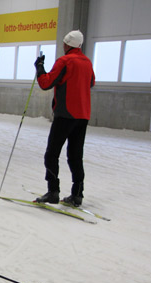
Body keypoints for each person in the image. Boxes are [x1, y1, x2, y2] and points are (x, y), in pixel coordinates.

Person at [34, 30, 95, 207]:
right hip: (82, 116)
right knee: (75, 156)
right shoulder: (87, 62)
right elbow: (91, 82)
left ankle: (53, 191)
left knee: (51, 154)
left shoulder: (65, 61)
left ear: (68, 44)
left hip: (65, 114)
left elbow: (46, 83)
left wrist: (39, 67)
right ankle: (77, 194)